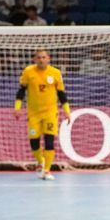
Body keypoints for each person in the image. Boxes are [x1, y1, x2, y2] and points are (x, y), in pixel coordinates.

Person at [14, 49, 71, 181]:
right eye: (39, 57)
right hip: (33, 113)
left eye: (44, 57)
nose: (41, 60)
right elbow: (21, 91)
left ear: (48, 59)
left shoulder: (55, 73)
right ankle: (41, 161)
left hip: (50, 112)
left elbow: (61, 94)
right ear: (35, 59)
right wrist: (17, 108)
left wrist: (67, 111)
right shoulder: (28, 71)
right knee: (34, 141)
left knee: (49, 141)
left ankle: (47, 170)